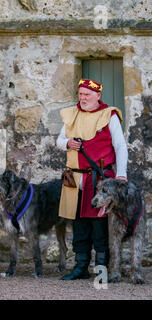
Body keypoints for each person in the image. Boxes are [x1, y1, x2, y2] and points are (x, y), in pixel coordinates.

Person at [56, 79, 128, 280]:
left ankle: (101, 269)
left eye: (87, 94)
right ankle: (80, 267)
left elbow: (120, 146)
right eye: (80, 94)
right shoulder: (72, 114)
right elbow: (59, 140)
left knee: (100, 225)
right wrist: (68, 143)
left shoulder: (109, 115)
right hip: (76, 178)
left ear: (98, 95)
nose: (83, 98)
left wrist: (121, 174)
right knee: (79, 223)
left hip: (101, 181)